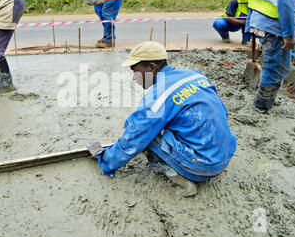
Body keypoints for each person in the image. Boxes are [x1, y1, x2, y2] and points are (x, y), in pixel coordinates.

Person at [87, 41, 237, 197]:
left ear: (152, 68)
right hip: (225, 155)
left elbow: (134, 137)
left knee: (147, 135)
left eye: (136, 71)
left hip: (202, 167)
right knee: (163, 123)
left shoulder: (158, 97)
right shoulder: (195, 75)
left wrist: (103, 156)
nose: (133, 78)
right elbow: (223, 113)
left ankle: (181, 181)